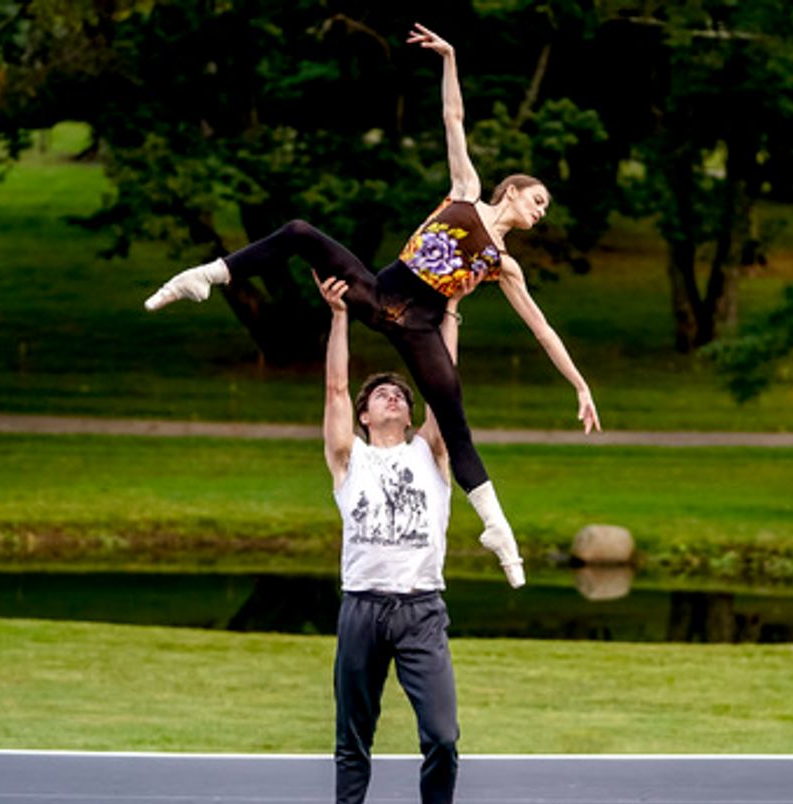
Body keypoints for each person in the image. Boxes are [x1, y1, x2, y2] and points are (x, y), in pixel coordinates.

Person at [142, 23, 601, 588]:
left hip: (421, 328)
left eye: (546, 208)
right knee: (299, 231)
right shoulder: (465, 191)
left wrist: (579, 384)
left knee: (455, 428)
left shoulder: (504, 265)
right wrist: (450, 58)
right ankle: (207, 277)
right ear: (511, 191)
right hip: (378, 294)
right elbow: (453, 120)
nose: (541, 211)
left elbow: (543, 330)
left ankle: (498, 532)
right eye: (538, 200)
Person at [307, 270, 479, 804]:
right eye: (383, 395)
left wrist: (450, 314)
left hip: (421, 612)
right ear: (364, 413)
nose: (395, 399)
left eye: (402, 396)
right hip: (362, 609)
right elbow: (333, 387)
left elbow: (444, 386)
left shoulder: (430, 454)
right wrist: (340, 316)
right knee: (353, 735)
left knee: (443, 735)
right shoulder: (347, 458)